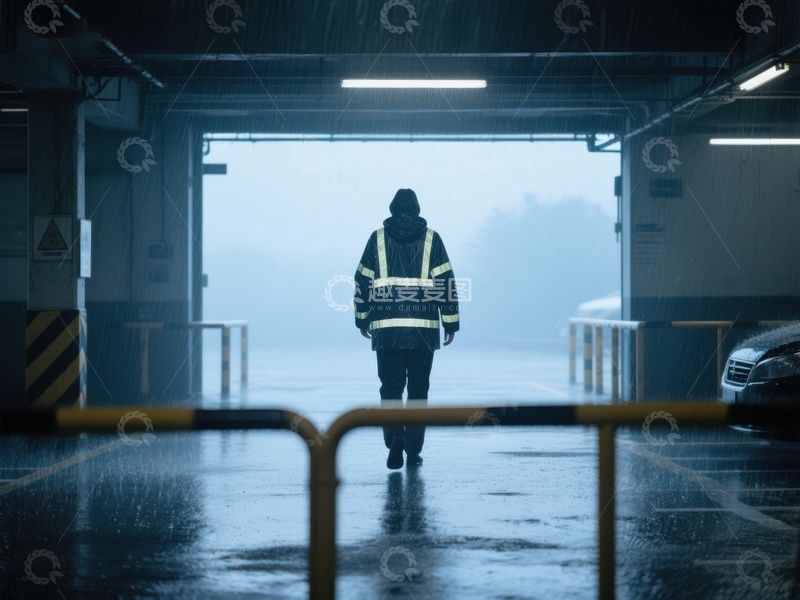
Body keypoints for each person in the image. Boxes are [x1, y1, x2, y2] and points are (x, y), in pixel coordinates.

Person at [354, 189, 460, 469]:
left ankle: (395, 439)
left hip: (387, 330)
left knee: (390, 388)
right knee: (418, 391)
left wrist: (362, 318)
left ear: (392, 209)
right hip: (424, 331)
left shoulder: (377, 238)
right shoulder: (432, 238)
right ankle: (413, 449)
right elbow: (445, 282)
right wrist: (450, 322)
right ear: (416, 208)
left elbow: (362, 280)